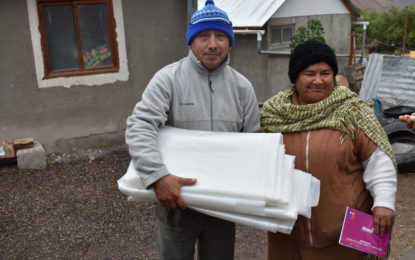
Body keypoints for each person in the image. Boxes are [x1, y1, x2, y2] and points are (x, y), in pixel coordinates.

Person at [125, 1, 260, 259]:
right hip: (176, 201)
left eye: (221, 36)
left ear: (230, 42)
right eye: (203, 36)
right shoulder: (168, 79)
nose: (212, 44)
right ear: (190, 42)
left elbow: (252, 144)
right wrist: (157, 176)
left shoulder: (242, 88)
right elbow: (140, 125)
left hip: (221, 206)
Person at [261, 40, 397, 260]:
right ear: (295, 77)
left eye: (325, 73)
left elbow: (378, 160)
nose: (318, 80)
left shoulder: (352, 111)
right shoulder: (274, 115)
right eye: (309, 73)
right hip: (286, 231)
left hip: (341, 233)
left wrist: (384, 202)